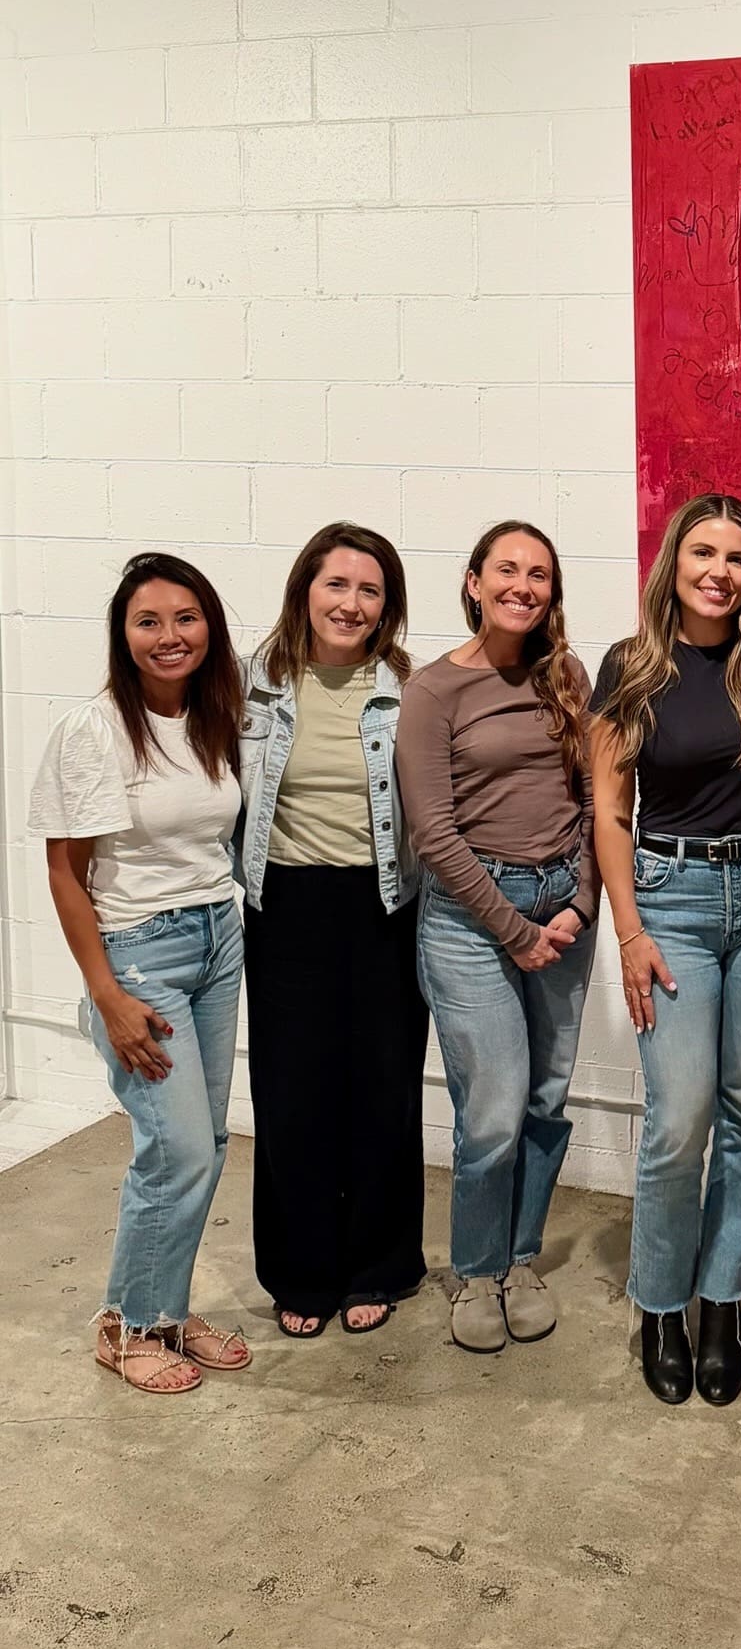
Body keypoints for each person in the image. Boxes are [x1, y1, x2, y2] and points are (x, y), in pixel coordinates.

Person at [590, 494, 741, 1408]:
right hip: (670, 900)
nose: (720, 571)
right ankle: (661, 1305)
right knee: (680, 1120)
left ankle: (725, 1301)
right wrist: (629, 930)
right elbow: (607, 810)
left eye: (738, 558)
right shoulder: (631, 666)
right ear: (673, 562)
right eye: (703, 553)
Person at [30, 554, 248, 1392]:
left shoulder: (210, 716)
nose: (169, 636)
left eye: (185, 618)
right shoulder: (93, 730)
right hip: (140, 951)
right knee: (179, 1146)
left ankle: (164, 1305)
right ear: (123, 635)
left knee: (207, 1144)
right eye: (147, 621)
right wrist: (107, 994)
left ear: (209, 627)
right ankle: (125, 1327)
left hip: (216, 939)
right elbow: (63, 872)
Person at [398, 521, 598, 1354]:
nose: (523, 585)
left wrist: (581, 904)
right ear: (473, 581)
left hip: (561, 908)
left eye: (540, 574)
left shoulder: (567, 676)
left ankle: (520, 1259)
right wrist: (514, 930)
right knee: (492, 1109)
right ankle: (475, 1271)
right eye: (506, 570)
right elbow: (432, 833)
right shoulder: (433, 691)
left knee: (546, 1100)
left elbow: (598, 801)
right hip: (471, 917)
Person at [241, 522, 426, 1338]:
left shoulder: (410, 688)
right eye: (337, 585)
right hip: (282, 909)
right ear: (304, 589)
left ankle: (379, 1265)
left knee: (383, 1089)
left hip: (385, 906)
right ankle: (301, 1271)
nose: (351, 604)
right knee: (292, 1096)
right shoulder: (251, 684)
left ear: (388, 606)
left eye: (370, 590)